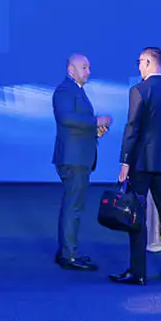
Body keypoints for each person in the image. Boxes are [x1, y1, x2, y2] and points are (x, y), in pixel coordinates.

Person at [111, 47, 161, 286]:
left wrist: (125, 162)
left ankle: (137, 272)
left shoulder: (139, 91)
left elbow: (132, 129)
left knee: (136, 215)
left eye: (139, 63)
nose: (138, 67)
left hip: (141, 165)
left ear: (147, 63)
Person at [52, 54, 110, 271]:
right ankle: (70, 254)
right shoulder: (65, 90)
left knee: (72, 205)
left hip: (78, 157)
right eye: (84, 67)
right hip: (73, 159)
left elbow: (75, 125)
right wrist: (96, 121)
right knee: (73, 207)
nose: (88, 71)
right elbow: (66, 118)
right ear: (71, 70)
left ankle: (67, 250)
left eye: (88, 67)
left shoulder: (75, 90)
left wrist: (95, 132)